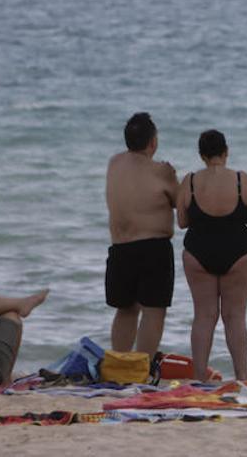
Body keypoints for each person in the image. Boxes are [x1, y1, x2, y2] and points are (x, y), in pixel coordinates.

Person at [176, 129, 247, 382]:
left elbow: (181, 222)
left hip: (198, 251)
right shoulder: (241, 180)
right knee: (235, 316)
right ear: (226, 152)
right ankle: (242, 377)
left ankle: (200, 377)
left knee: (204, 315)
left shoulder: (189, 181)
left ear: (202, 155)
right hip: (239, 252)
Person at [105, 112, 178, 356]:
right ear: (153, 143)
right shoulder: (161, 171)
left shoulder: (114, 164)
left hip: (120, 248)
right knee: (154, 310)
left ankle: (121, 363)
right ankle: (142, 365)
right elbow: (179, 201)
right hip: (152, 249)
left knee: (125, 309)